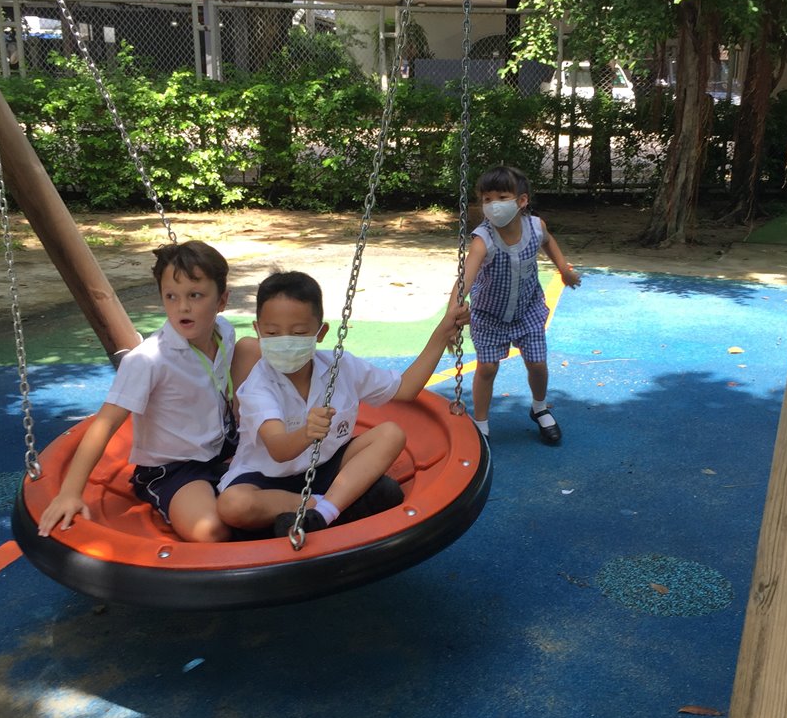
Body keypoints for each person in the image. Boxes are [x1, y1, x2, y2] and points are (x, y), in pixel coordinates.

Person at [216, 270, 470, 538]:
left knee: (391, 434)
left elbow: (405, 389)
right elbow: (279, 449)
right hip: (266, 478)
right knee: (233, 505)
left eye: (299, 332)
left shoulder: (341, 366)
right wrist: (306, 433)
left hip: (325, 466)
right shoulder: (258, 385)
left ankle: (323, 514)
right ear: (257, 331)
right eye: (272, 332)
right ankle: (328, 505)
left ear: (321, 332)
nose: (285, 341)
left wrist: (442, 334)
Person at [37, 241, 260, 543]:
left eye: (195, 295)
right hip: (175, 467)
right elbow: (105, 424)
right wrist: (69, 493)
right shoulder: (148, 360)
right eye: (171, 296)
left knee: (251, 348)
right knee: (210, 530)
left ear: (222, 300)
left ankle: (253, 443)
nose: (182, 307)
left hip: (225, 443)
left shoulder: (224, 332)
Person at [459, 165, 580, 444]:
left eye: (502, 197)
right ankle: (481, 423)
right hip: (489, 315)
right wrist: (457, 303)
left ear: (521, 200)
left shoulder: (535, 227)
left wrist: (563, 269)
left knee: (537, 363)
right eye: (487, 199)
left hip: (528, 309)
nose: (493, 205)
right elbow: (467, 275)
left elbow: (548, 241)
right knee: (487, 368)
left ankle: (539, 408)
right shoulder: (483, 239)